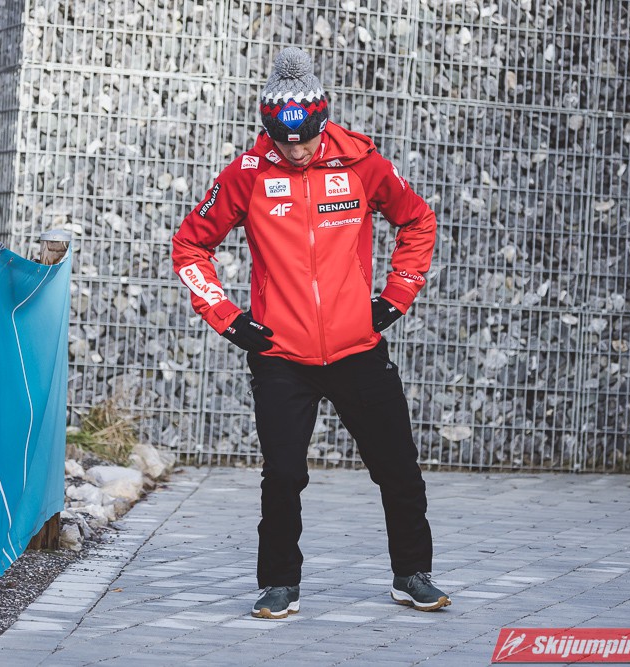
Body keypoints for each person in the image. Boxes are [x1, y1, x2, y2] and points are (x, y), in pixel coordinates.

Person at [171, 47, 449, 619]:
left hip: (357, 348)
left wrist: (396, 296)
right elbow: (190, 245)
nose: (294, 150)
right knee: (284, 475)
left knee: (398, 466)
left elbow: (418, 220)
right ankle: (279, 584)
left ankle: (412, 574)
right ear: (267, 127)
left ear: (323, 120)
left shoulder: (363, 164)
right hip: (281, 355)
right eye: (281, 139)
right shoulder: (247, 174)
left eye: (304, 138)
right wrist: (228, 318)